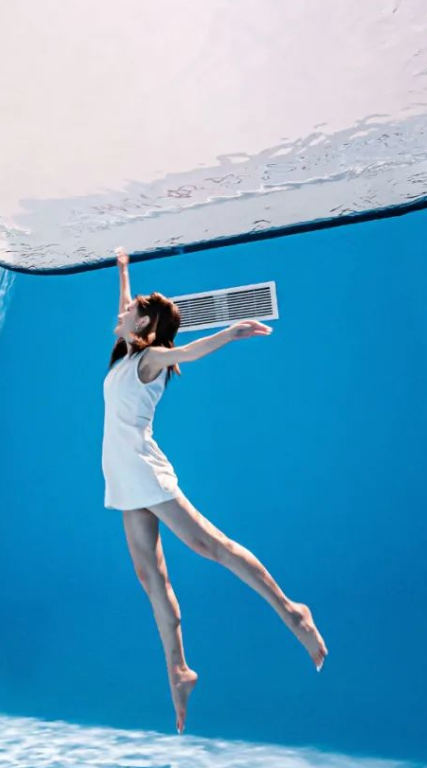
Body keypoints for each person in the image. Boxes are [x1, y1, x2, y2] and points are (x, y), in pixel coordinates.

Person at [105, 247, 328, 734]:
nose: (123, 310)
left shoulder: (150, 359)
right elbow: (126, 308)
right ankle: (179, 671)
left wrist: (231, 331)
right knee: (151, 579)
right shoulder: (125, 355)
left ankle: (293, 611)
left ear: (145, 325)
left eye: (133, 308)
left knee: (210, 546)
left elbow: (186, 351)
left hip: (144, 471)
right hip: (123, 479)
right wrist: (123, 270)